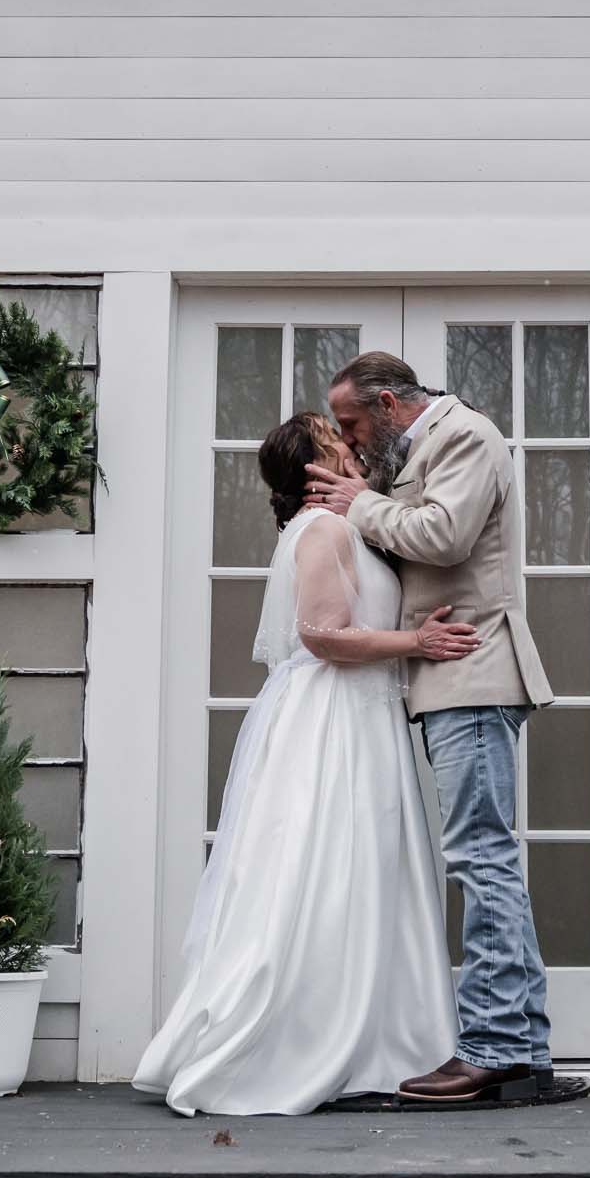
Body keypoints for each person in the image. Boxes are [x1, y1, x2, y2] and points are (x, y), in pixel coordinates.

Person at [132, 413, 476, 1116]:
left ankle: (384, 1037)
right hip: (334, 721)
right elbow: (322, 635)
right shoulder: (320, 531)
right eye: (338, 440)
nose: (354, 446)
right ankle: (308, 1038)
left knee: (366, 873)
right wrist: (417, 640)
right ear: (314, 464)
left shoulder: (349, 522)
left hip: (367, 713)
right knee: (326, 873)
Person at [305, 352, 559, 1105]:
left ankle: (496, 1047)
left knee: (482, 858)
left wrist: (357, 504)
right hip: (445, 680)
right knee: (487, 856)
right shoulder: (411, 452)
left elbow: (445, 535)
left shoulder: (467, 438)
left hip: (474, 675)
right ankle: (525, 1049)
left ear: (387, 402)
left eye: (352, 422)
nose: (350, 439)